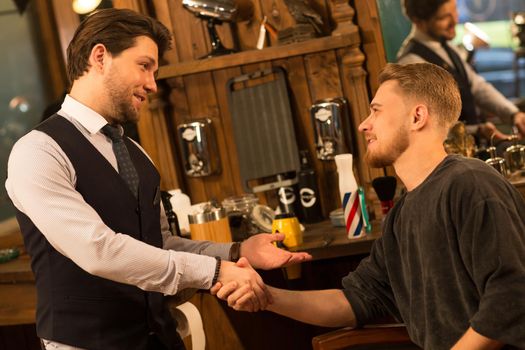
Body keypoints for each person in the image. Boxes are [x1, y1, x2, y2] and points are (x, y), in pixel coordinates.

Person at [5, 8, 311, 350]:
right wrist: (214, 272)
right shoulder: (37, 152)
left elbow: (158, 244)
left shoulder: (135, 151)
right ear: (100, 56)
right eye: (144, 65)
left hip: (159, 338)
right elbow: (98, 251)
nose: (152, 84)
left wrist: (238, 251)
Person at [213, 63, 525, 349]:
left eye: (376, 111)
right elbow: (357, 299)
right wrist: (267, 297)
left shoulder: (470, 185)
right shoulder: (402, 214)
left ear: (417, 117)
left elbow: (511, 296)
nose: (364, 125)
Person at [397, 0, 525, 143]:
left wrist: (514, 114)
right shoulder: (412, 63)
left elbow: (477, 86)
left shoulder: (445, 45)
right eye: (444, 17)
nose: (455, 20)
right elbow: (432, 124)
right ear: (418, 21)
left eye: (455, 11)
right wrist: (477, 130)